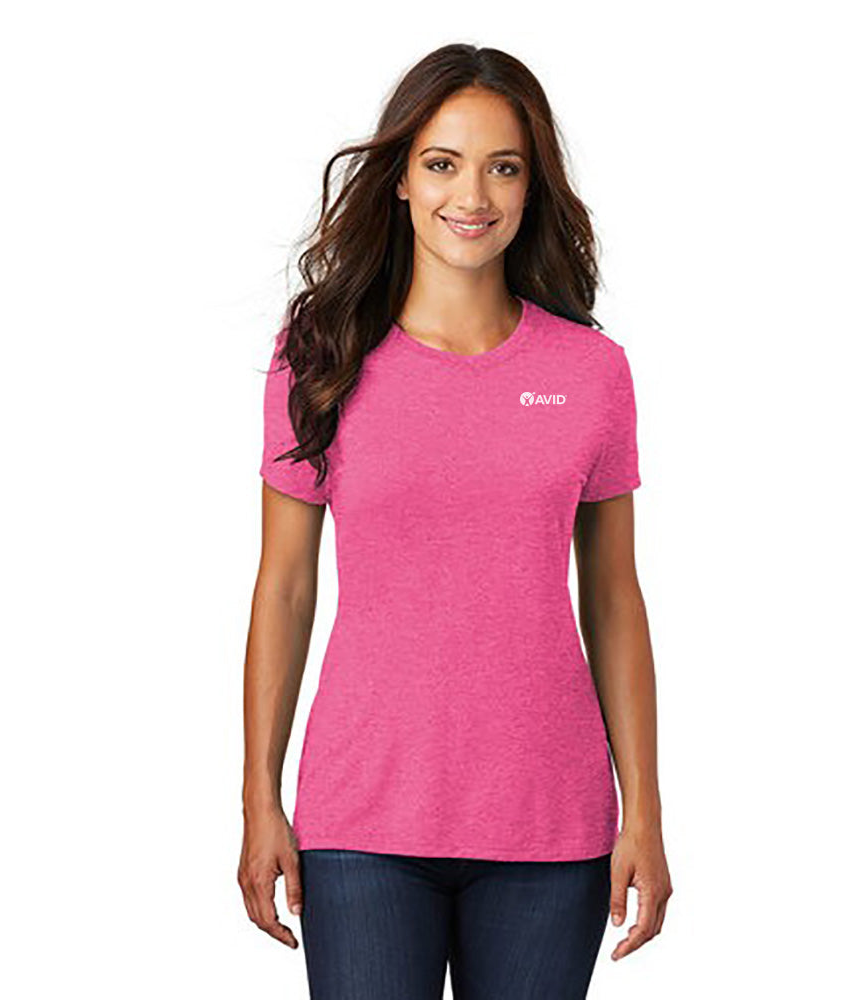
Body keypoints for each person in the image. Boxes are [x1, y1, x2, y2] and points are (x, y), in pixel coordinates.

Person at [238, 42, 672, 999]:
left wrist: (644, 811)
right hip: (361, 817)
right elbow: (286, 586)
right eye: (443, 163)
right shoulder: (320, 355)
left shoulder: (590, 373)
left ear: (531, 186)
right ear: (400, 178)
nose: (471, 195)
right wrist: (258, 797)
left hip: (550, 822)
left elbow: (613, 597)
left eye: (503, 167)